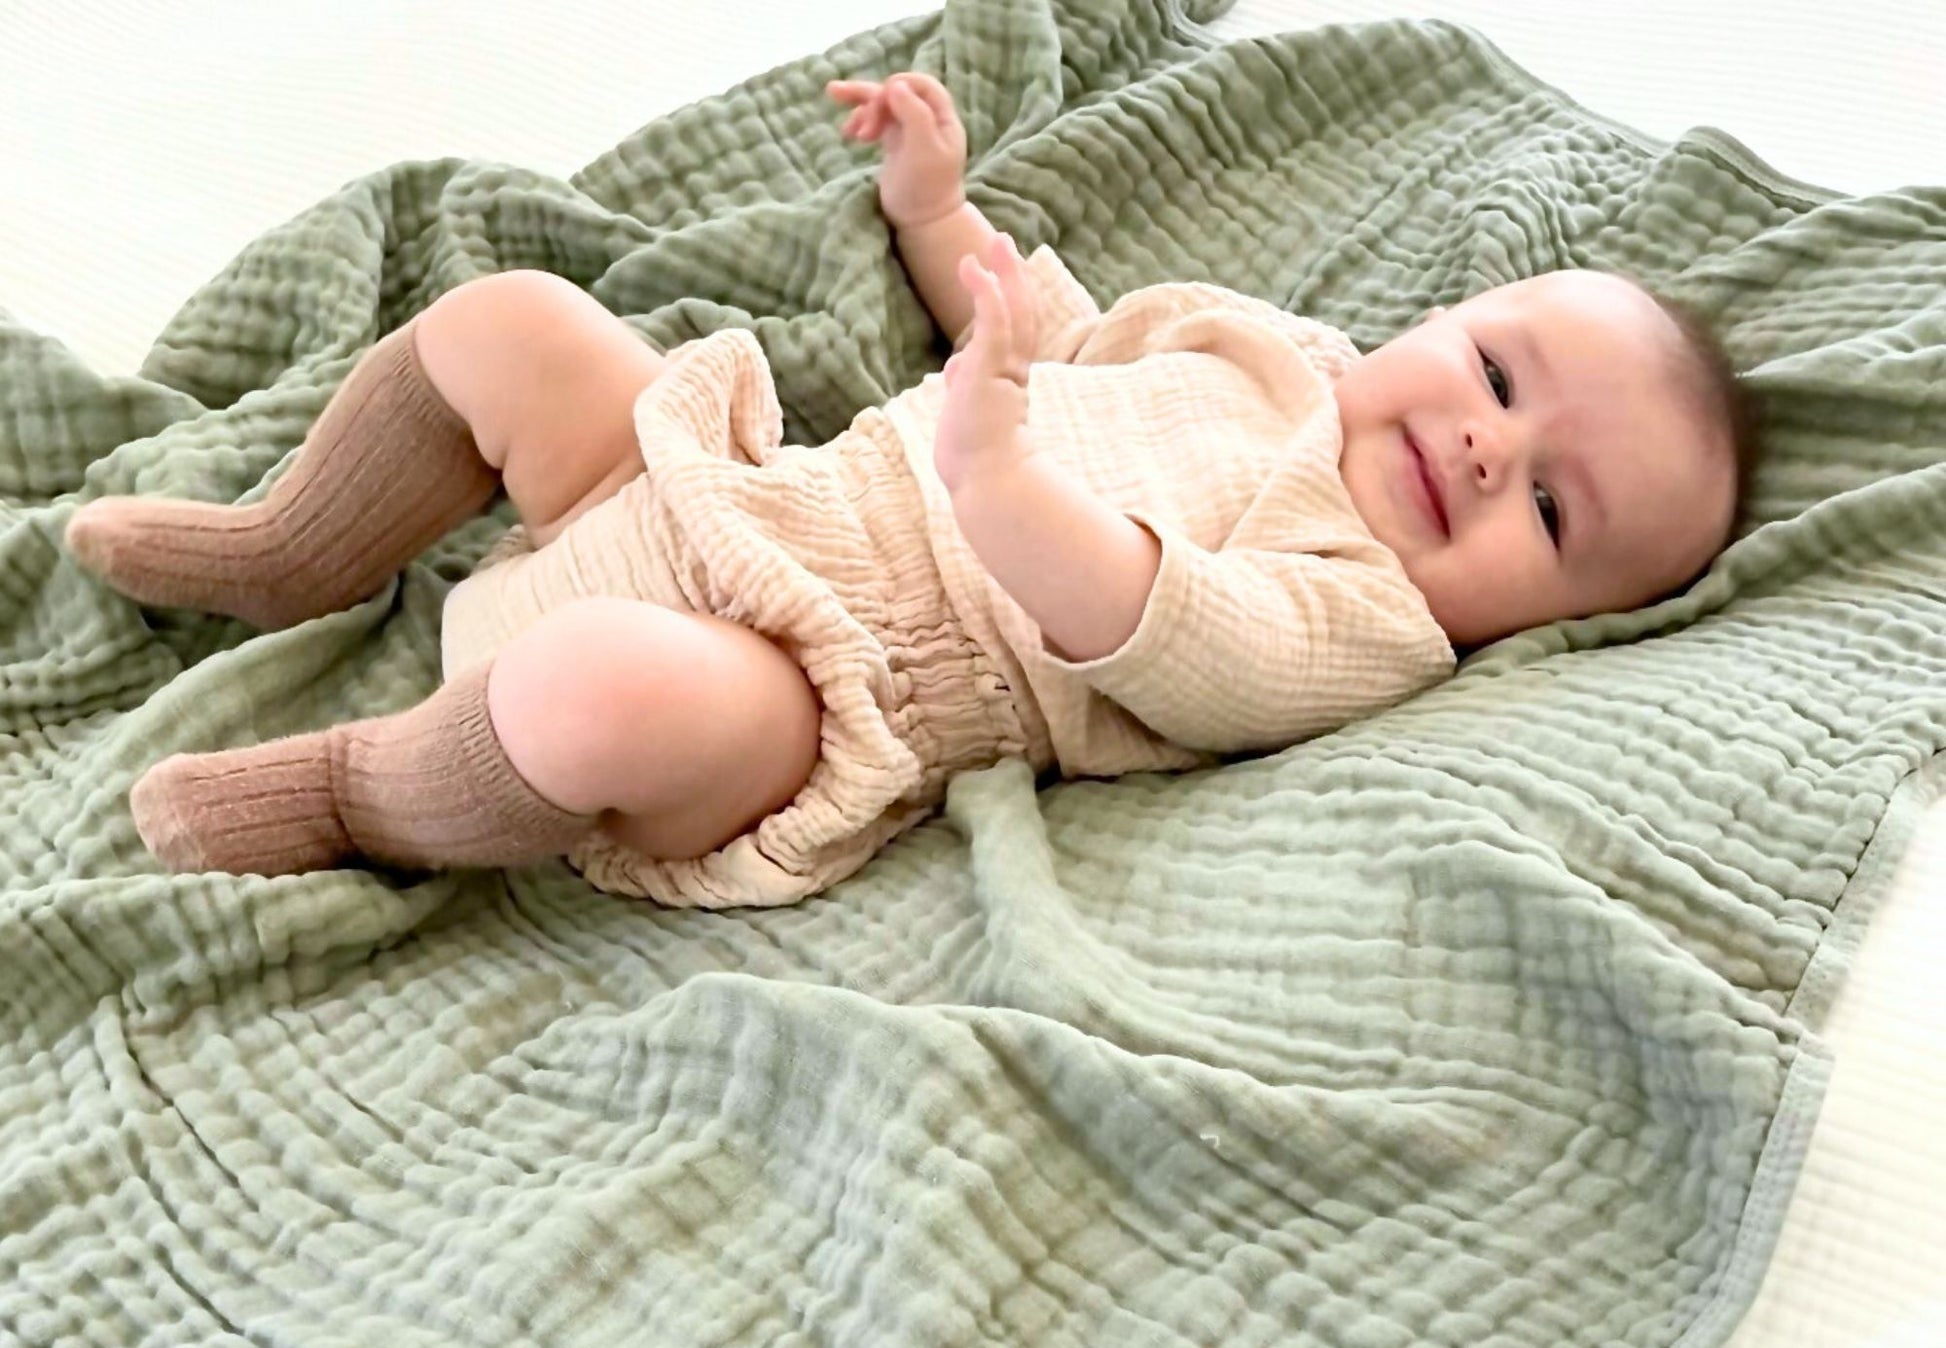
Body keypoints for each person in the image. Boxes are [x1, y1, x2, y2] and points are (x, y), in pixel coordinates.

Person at [64, 70, 1756, 909]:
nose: (1483, 446)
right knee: (516, 323)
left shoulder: (1369, 617)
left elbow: (1164, 628)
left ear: (1551, 617)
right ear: (1438, 324)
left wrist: (1000, 469)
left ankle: (360, 793)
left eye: (1549, 514)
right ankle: (296, 548)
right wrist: (940, 211)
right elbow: (1047, 322)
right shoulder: (1265, 358)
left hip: (809, 688)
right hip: (713, 498)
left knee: (597, 689)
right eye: (1498, 374)